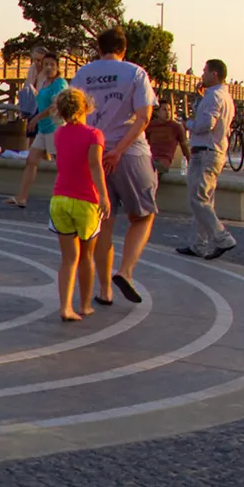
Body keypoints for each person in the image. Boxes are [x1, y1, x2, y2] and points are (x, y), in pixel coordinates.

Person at [74, 25, 159, 304]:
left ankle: (104, 291)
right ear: (124, 50)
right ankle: (125, 271)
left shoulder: (83, 74)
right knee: (143, 215)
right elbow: (143, 116)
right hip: (130, 152)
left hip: (94, 152)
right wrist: (119, 150)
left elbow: (75, 116)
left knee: (104, 223)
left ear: (99, 48)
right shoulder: (135, 73)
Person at [47, 87, 108, 321]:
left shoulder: (58, 134)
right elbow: (95, 166)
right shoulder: (94, 135)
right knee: (86, 257)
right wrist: (104, 196)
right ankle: (84, 305)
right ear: (86, 107)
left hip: (60, 198)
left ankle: (64, 306)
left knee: (68, 258)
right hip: (85, 201)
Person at [176, 59, 237, 258]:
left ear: (214, 74)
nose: (201, 75)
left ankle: (222, 237)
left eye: (204, 71)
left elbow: (205, 124)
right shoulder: (223, 96)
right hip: (215, 150)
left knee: (198, 199)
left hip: (206, 151)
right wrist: (198, 99)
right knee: (205, 199)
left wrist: (188, 124)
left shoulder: (214, 97)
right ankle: (198, 244)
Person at [12, 53, 65, 209]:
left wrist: (36, 119)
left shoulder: (60, 84)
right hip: (43, 128)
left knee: (60, 164)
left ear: (57, 66)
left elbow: (54, 106)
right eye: (46, 64)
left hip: (55, 128)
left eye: (52, 65)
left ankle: (63, 196)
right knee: (31, 160)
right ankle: (21, 197)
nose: (48, 68)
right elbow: (39, 102)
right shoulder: (44, 83)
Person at [144, 102, 188, 178]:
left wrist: (191, 163)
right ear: (157, 112)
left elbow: (184, 146)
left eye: (169, 109)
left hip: (163, 162)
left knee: (152, 168)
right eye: (164, 110)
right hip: (149, 159)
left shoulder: (176, 127)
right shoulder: (150, 126)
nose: (167, 112)